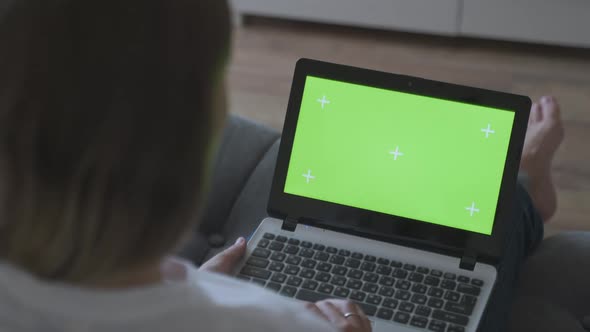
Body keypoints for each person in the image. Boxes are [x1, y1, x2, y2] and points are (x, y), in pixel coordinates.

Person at [0, 0, 563, 332]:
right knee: (502, 212)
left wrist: (192, 286)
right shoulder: (273, 324)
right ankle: (527, 190)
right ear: (200, 134)